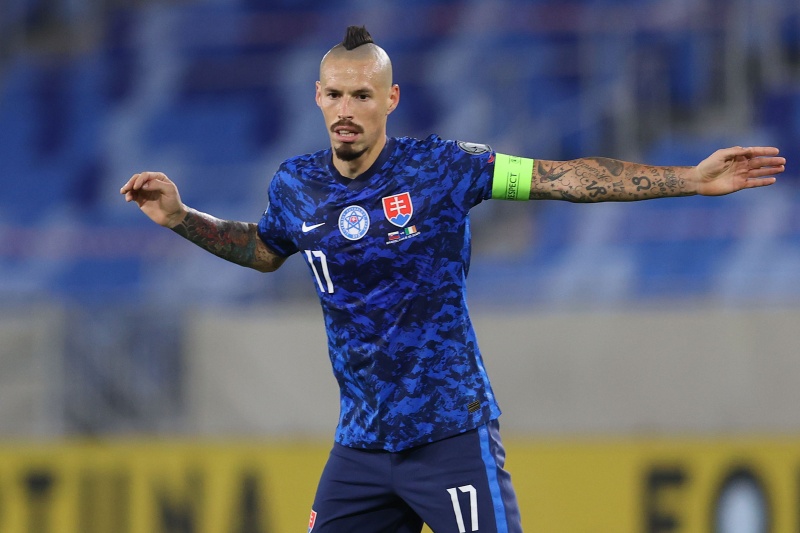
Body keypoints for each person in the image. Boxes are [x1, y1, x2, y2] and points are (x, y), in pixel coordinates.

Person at [120, 25, 785, 533]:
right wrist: (180, 217)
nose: (347, 107)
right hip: (361, 446)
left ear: (390, 100)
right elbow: (265, 250)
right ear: (317, 96)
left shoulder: (442, 169)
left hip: (450, 435)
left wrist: (689, 179)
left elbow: (561, 178)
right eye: (336, 94)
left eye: (362, 95)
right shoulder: (295, 185)